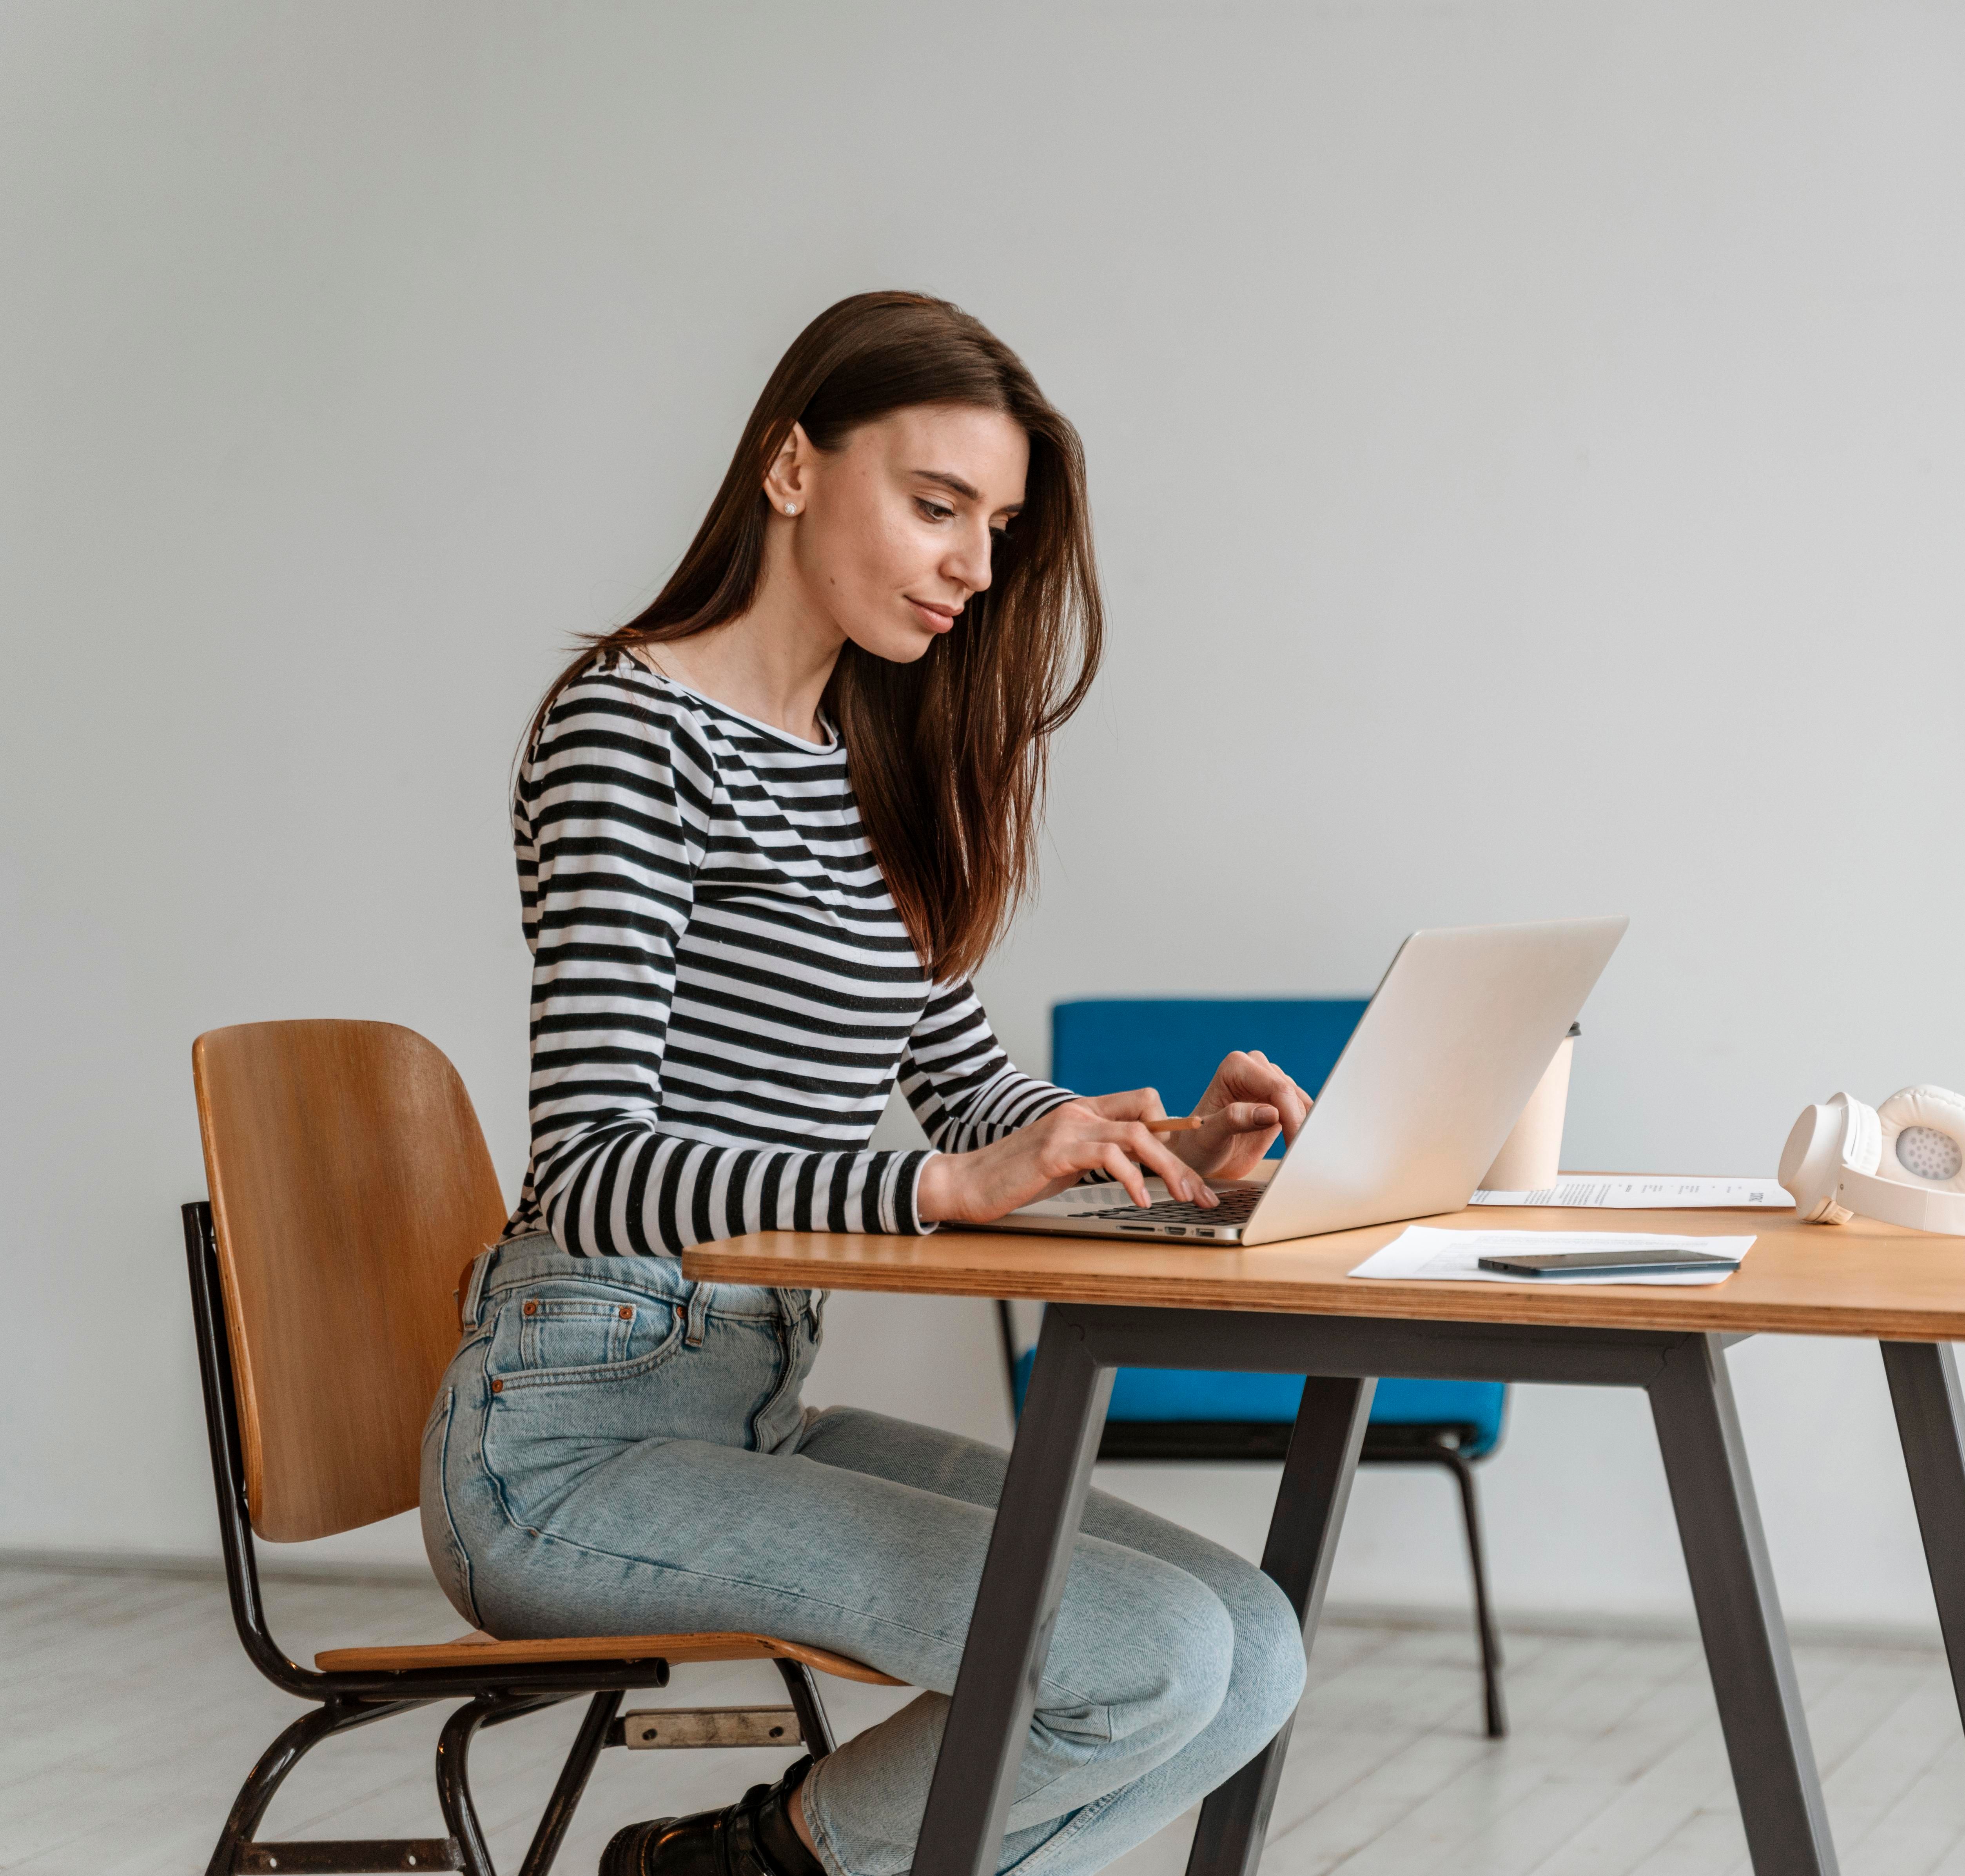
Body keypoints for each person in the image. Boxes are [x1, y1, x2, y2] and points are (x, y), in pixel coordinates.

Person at [419, 292, 1316, 1876]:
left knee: (1246, 1645)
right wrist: (931, 1188)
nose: (975, 564)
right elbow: (593, 1168)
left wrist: (1168, 1151)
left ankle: (757, 1865)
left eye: (999, 524)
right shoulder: (631, 732)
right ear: (788, 468)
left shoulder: (856, 766)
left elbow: (970, 1103)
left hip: (747, 1410)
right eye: (934, 504)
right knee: (1147, 1655)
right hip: (564, 1445)